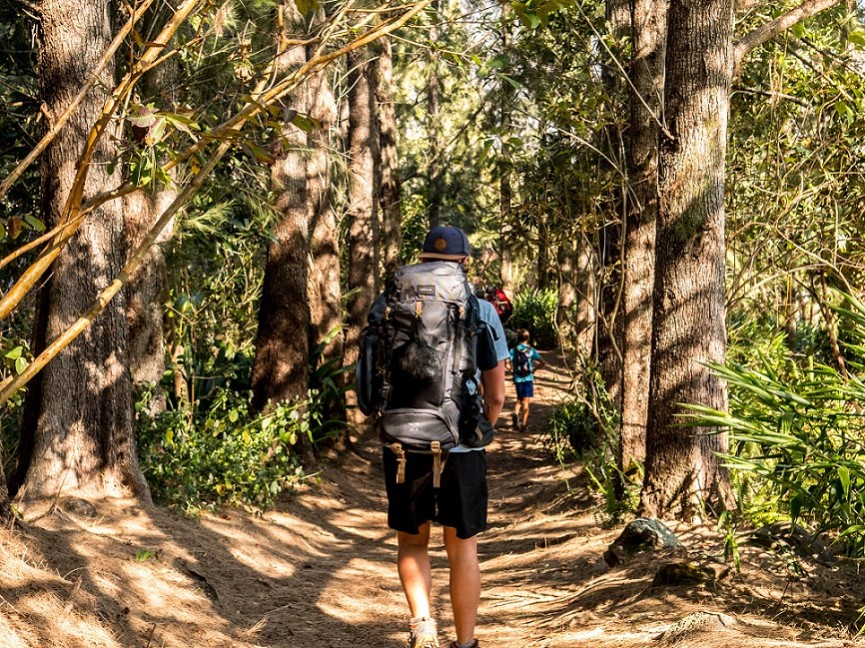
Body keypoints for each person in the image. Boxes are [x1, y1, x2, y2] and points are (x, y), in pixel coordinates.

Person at [374, 226, 508, 648]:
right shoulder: (479, 308)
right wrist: (481, 424)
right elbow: (498, 394)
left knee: (413, 540)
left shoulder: (388, 303)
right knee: (461, 547)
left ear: (422, 259)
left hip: (402, 440)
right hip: (461, 442)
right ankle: (465, 642)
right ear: (464, 261)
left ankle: (423, 624)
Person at [506, 329, 544, 433]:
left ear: (518, 338)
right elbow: (542, 362)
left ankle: (515, 413)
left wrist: (512, 370)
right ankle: (523, 425)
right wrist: (533, 370)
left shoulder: (513, 350)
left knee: (519, 399)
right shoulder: (531, 350)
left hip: (517, 378)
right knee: (526, 402)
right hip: (528, 378)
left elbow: (506, 363)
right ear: (528, 338)